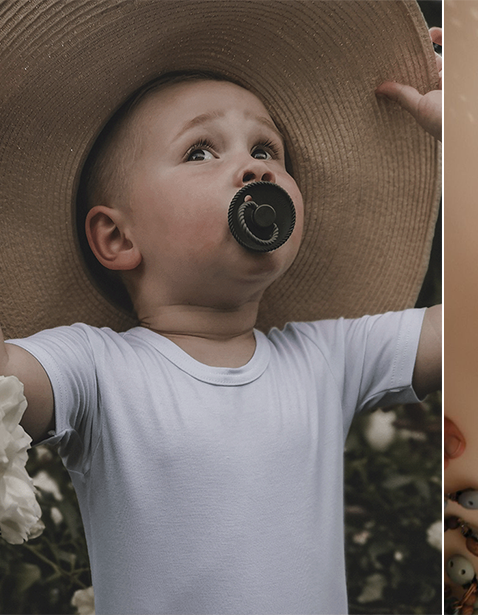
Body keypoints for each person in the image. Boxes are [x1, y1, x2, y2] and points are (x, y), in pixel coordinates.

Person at [0, 2, 441, 613]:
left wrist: (471, 141)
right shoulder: (95, 369)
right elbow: (9, 382)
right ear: (117, 239)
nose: (254, 166)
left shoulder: (327, 357)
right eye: (200, 151)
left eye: (268, 149)